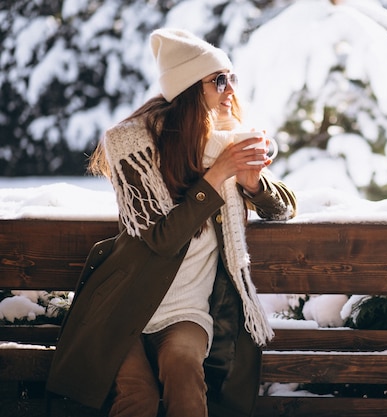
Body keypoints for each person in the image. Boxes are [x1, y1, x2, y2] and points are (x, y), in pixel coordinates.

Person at [45, 28, 297, 417]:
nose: (230, 89)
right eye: (218, 80)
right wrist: (215, 179)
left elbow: (283, 209)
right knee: (138, 397)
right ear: (190, 92)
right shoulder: (137, 152)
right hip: (124, 306)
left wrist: (252, 183)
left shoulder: (229, 145)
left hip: (186, 313)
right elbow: (163, 239)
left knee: (183, 369)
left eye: (231, 77)